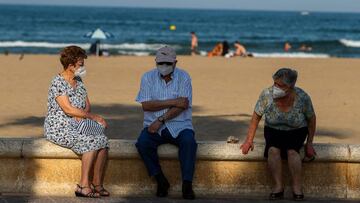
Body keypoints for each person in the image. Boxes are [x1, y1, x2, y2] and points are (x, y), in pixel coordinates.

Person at [240, 68, 316, 201]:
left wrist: (309, 143)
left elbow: (311, 120)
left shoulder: (302, 97)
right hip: (273, 130)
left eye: (280, 85)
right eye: (275, 83)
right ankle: (278, 187)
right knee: (273, 150)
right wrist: (248, 141)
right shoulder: (266, 95)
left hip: (296, 130)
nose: (276, 87)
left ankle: (297, 188)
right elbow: (255, 118)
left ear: (290, 87)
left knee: (292, 152)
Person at [44, 46, 110, 198]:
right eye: (81, 64)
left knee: (103, 141)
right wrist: (94, 117)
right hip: (59, 127)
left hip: (77, 124)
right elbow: (68, 109)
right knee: (92, 140)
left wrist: (84, 115)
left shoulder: (79, 81)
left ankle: (97, 184)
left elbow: (87, 104)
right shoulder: (57, 82)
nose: (83, 67)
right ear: (70, 65)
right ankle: (83, 185)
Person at [135, 46, 197, 200]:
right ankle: (160, 179)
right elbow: (146, 105)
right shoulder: (147, 77)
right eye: (161, 63)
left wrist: (160, 119)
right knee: (142, 143)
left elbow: (183, 106)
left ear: (175, 63)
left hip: (180, 125)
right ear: (155, 62)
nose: (164, 66)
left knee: (189, 143)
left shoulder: (184, 77)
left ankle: (187, 184)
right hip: (152, 127)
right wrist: (173, 101)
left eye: (168, 63)